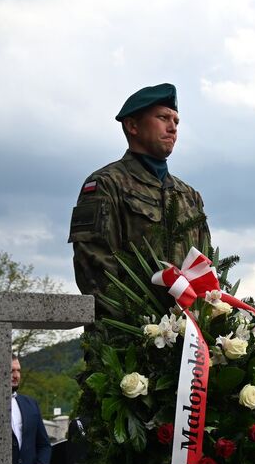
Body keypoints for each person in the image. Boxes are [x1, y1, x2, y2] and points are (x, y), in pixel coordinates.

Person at [68, 83, 211, 318]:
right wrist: (140, 327)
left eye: (176, 122)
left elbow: (203, 270)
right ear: (132, 126)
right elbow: (95, 270)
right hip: (126, 333)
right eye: (163, 118)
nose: (172, 128)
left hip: (187, 332)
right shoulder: (106, 184)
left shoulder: (189, 195)